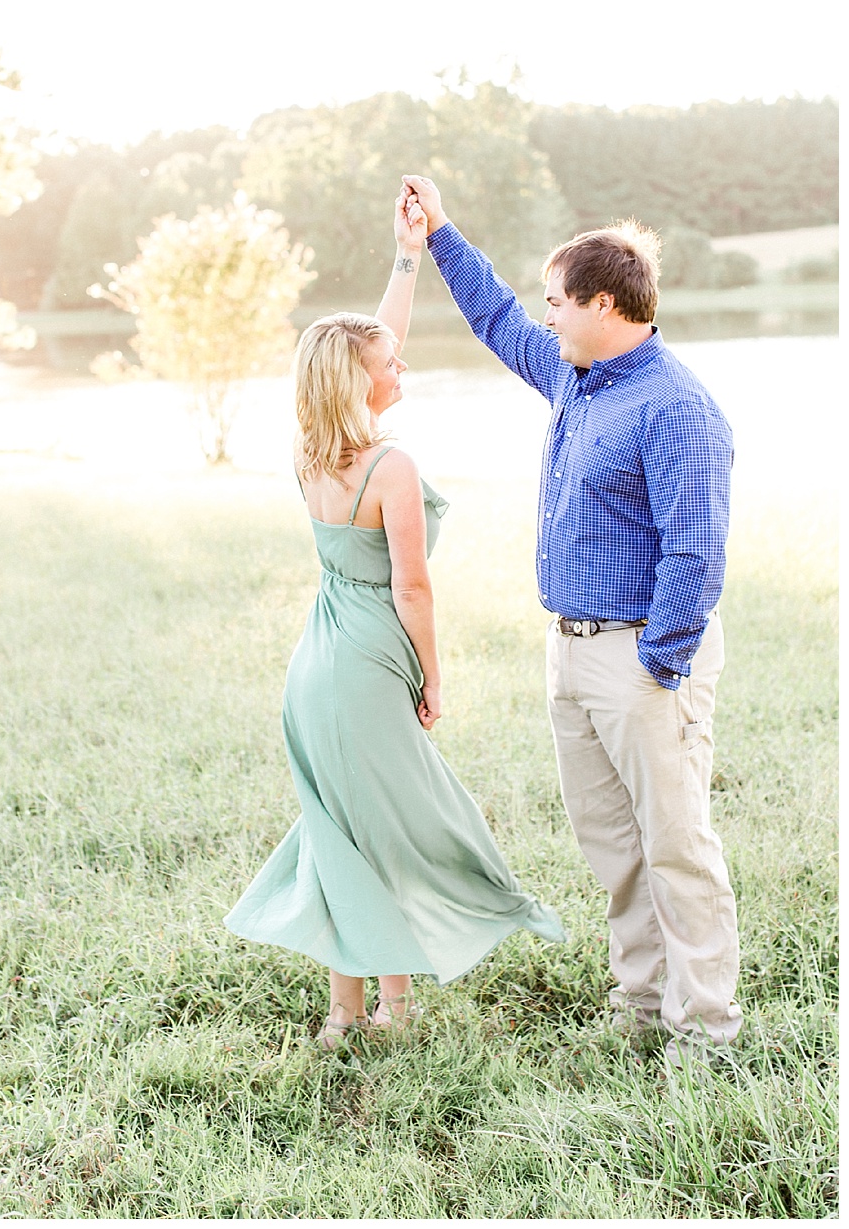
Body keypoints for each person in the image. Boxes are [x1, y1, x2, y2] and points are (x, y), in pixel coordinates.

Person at [399, 174, 740, 1065]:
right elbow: (498, 318)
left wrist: (658, 665)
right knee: (614, 848)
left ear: (603, 303)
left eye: (559, 302)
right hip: (571, 653)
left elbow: (697, 551)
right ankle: (640, 1004)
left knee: (677, 848)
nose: (545, 316)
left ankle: (704, 1031)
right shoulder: (576, 376)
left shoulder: (674, 406)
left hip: (641, 659)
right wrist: (440, 233)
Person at [223, 193, 564, 1049]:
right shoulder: (392, 466)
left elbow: (370, 342)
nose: (402, 366)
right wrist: (433, 678)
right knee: (395, 832)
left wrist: (409, 255)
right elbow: (413, 589)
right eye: (391, 366)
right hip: (373, 659)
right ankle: (396, 1008)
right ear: (361, 382)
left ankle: (347, 1012)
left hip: (316, 665)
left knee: (339, 828)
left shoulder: (310, 451)